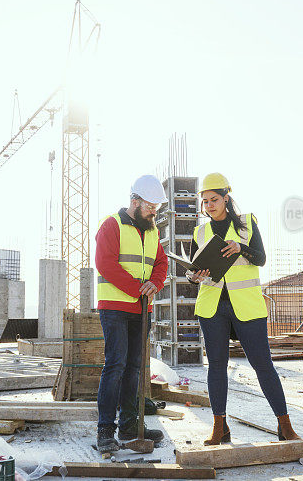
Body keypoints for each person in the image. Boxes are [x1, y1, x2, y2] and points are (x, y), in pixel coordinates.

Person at [187, 172, 300, 445]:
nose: (209, 205)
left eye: (214, 199)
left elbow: (260, 259)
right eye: (205, 201)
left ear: (226, 198)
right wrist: (193, 276)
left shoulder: (247, 224)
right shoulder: (199, 232)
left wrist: (242, 247)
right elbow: (193, 269)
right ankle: (219, 428)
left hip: (246, 306)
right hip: (212, 307)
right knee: (216, 366)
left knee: (263, 365)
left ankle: (285, 425)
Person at [94, 174, 169, 453]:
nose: (153, 212)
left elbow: (160, 263)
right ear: (134, 201)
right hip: (115, 308)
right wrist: (138, 288)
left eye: (156, 208)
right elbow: (106, 264)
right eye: (150, 206)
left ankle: (128, 425)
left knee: (135, 369)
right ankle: (105, 429)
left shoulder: (152, 232)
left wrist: (155, 283)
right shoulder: (111, 225)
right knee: (115, 366)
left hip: (141, 310)